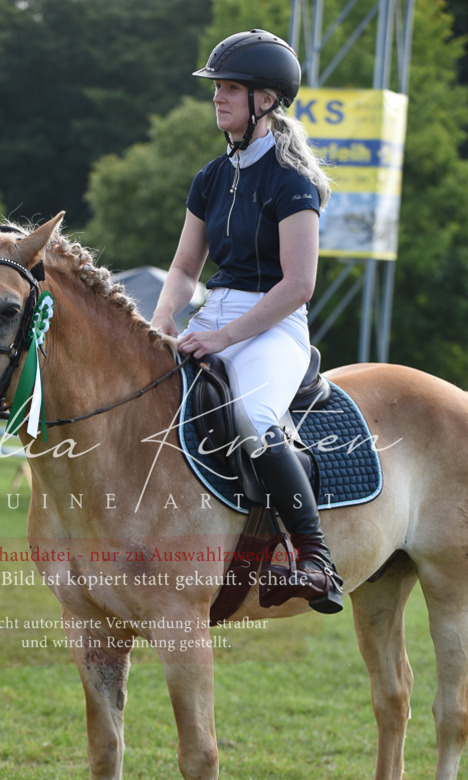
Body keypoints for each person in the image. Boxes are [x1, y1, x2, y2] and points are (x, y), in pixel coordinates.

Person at [151, 28, 343, 615]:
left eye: (230, 88)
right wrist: (159, 323)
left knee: (255, 417)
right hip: (215, 312)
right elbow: (185, 270)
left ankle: (315, 558)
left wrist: (224, 335)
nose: (218, 98)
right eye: (216, 88)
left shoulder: (293, 181)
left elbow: (298, 284)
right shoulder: (210, 177)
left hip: (275, 324)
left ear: (266, 99)